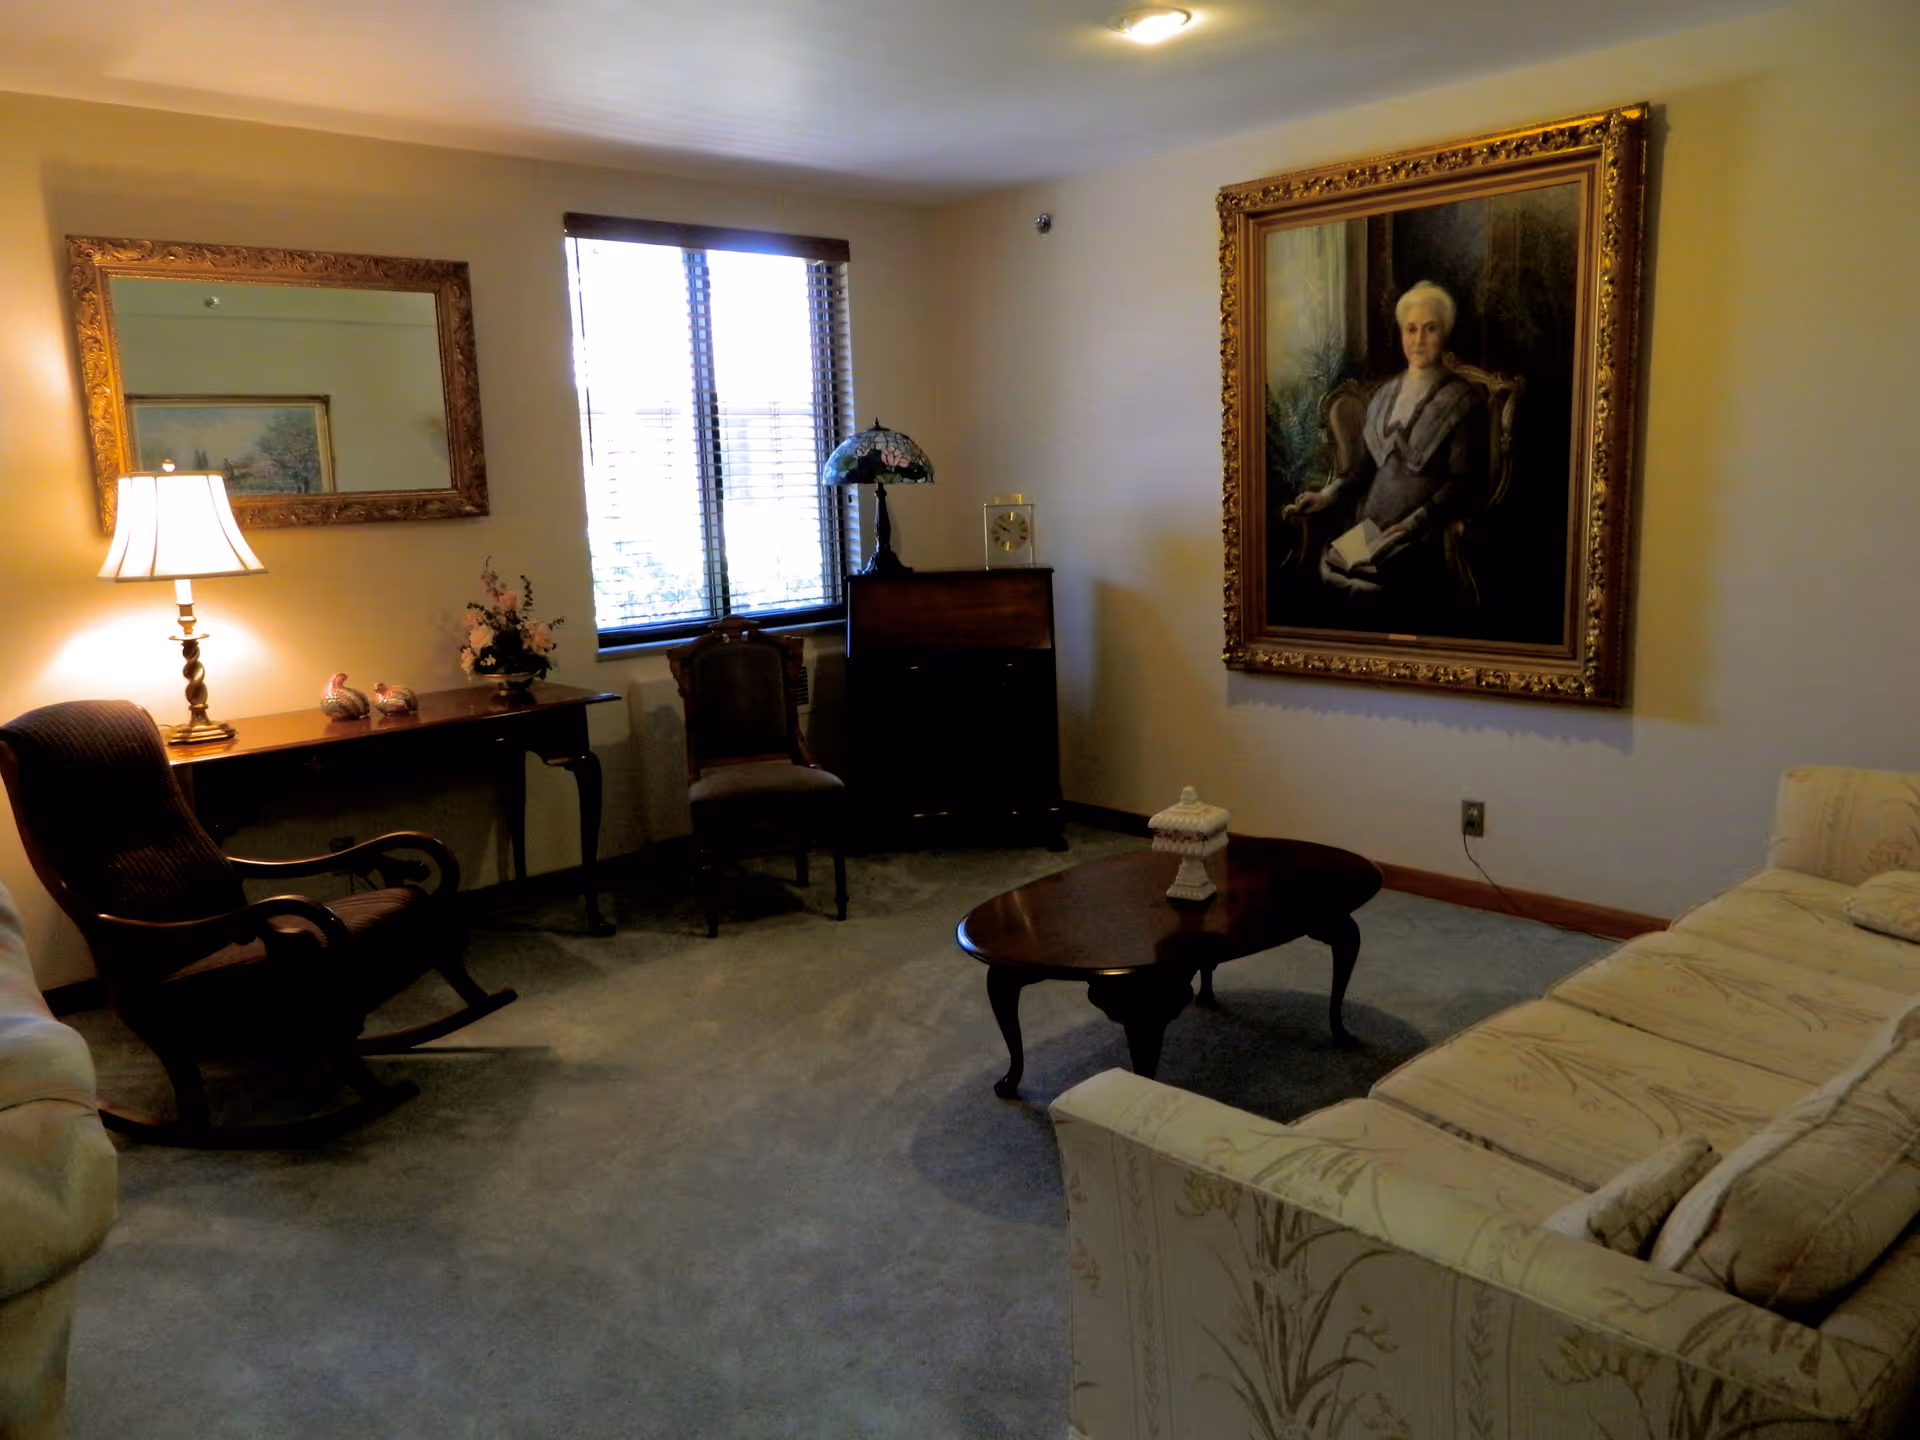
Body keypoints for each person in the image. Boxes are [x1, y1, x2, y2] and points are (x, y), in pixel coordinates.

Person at [1287, 279, 1487, 633]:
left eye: (1430, 328)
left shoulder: (1463, 400)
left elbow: (1463, 483)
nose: (1419, 339)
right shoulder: (1383, 396)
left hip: (1423, 536)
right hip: (1367, 530)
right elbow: (1362, 469)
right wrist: (1326, 495)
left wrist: (1411, 525)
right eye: (1411, 329)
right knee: (1332, 582)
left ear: (1446, 332)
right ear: (1401, 333)